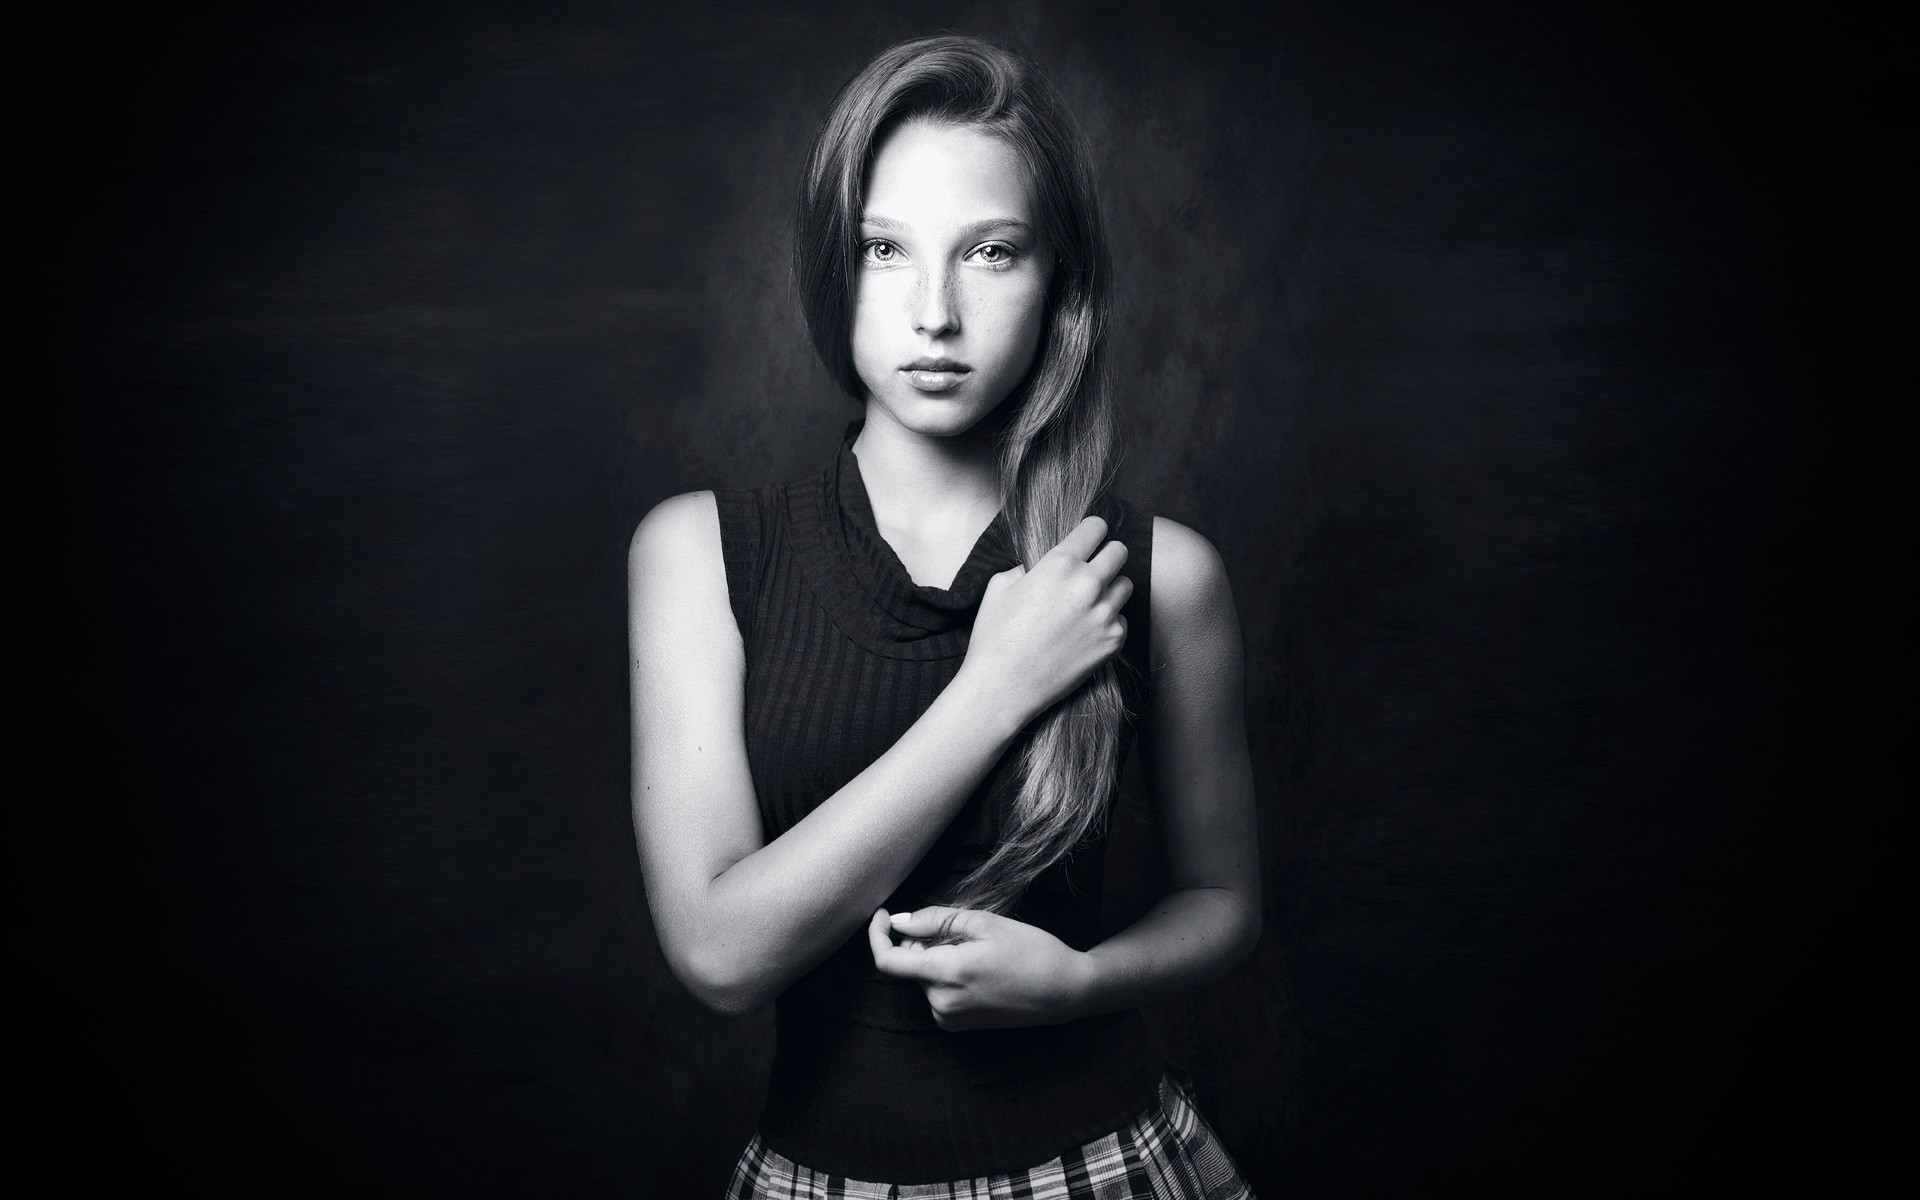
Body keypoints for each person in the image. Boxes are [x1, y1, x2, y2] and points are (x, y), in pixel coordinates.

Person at [628, 33, 1260, 1199]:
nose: (935, 311)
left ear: (1059, 281)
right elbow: (719, 957)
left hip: (1109, 1167)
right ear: (832, 265)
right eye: (884, 249)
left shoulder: (1163, 576)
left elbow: (1226, 901)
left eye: (990, 252)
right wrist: (994, 690)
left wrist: (1082, 982)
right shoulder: (698, 556)